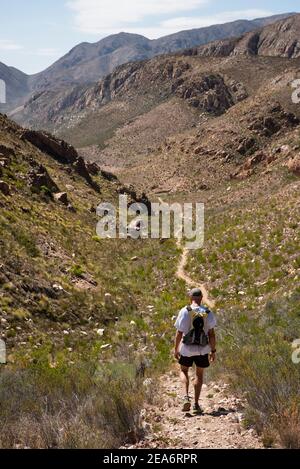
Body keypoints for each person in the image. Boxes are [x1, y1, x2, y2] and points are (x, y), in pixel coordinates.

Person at [174, 288, 217, 413]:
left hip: (187, 348)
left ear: (190, 298)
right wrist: (213, 351)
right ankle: (196, 404)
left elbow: (179, 332)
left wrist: (176, 349)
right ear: (201, 298)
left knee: (183, 370)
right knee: (199, 374)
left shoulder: (185, 311)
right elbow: (212, 334)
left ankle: (186, 397)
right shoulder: (207, 312)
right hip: (203, 349)